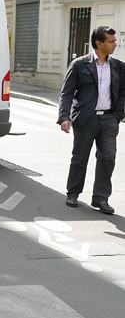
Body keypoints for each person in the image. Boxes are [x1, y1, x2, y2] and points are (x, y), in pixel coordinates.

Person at [58, 26, 124, 214]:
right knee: (80, 158)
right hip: (86, 119)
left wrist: (118, 114)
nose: (115, 44)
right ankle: (73, 193)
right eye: (111, 41)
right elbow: (67, 92)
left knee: (108, 158)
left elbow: (122, 93)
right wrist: (64, 117)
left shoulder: (118, 66)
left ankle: (101, 199)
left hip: (109, 120)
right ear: (99, 43)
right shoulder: (80, 64)